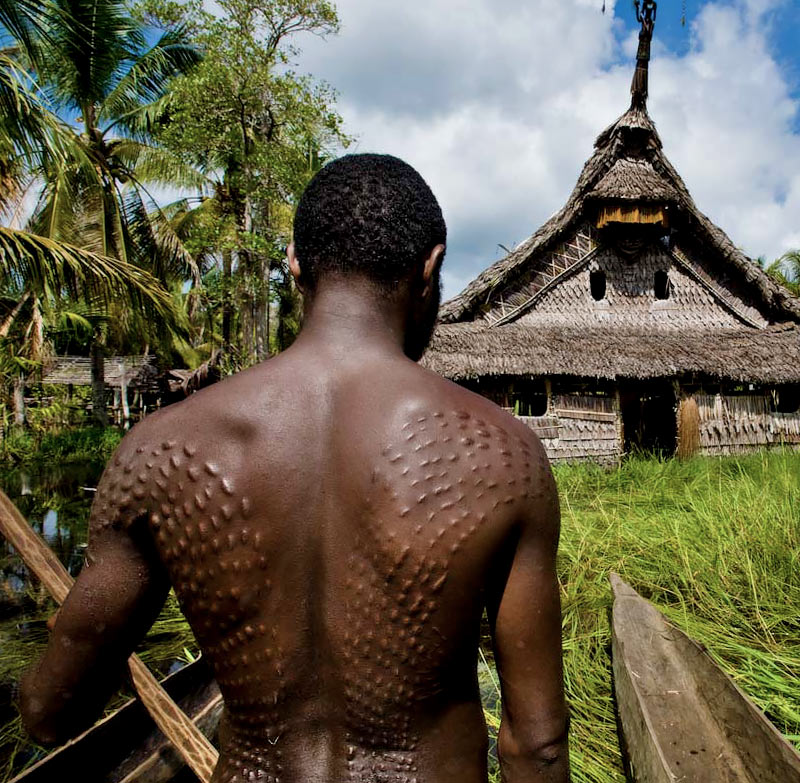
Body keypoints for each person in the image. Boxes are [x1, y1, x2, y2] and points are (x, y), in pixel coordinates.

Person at [19, 154, 570, 783]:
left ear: (294, 264)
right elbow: (537, 743)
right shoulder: (501, 454)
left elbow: (49, 713)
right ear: (431, 270)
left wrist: (37, 682)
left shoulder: (161, 451)